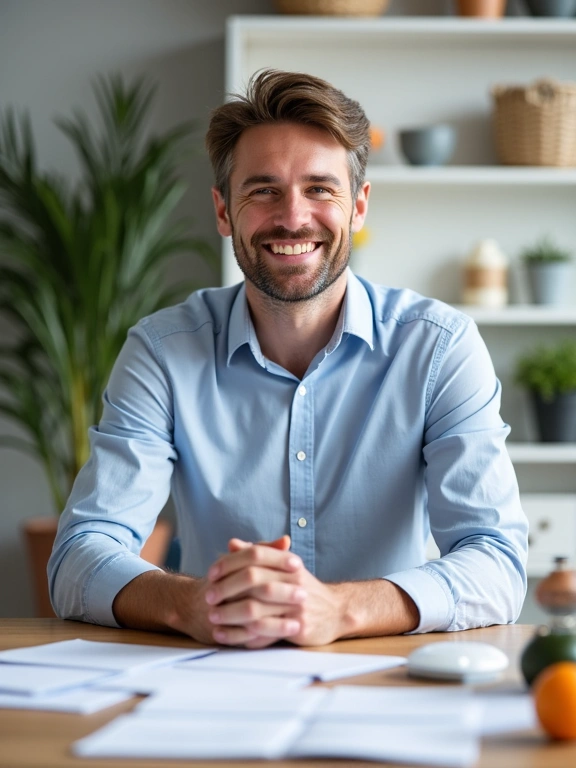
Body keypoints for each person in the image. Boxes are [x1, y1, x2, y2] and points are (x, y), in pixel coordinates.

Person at [48, 69, 528, 648]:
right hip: (217, 671)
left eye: (321, 189)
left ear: (359, 207)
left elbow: (498, 562)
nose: (293, 217)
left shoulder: (440, 348)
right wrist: (192, 604)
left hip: (386, 676)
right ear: (224, 211)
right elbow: (78, 556)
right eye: (263, 190)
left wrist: (341, 610)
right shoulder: (162, 352)